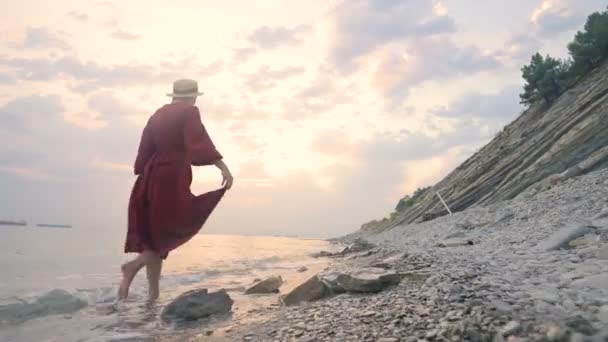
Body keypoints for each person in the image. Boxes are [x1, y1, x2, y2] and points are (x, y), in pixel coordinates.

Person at [118, 79, 233, 301]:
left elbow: (143, 152)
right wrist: (222, 165)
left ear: (173, 95)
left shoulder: (157, 115)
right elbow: (198, 143)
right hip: (171, 176)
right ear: (193, 96)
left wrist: (144, 172)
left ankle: (153, 295)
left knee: (155, 233)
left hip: (150, 177)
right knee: (166, 229)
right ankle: (133, 266)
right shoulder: (189, 112)